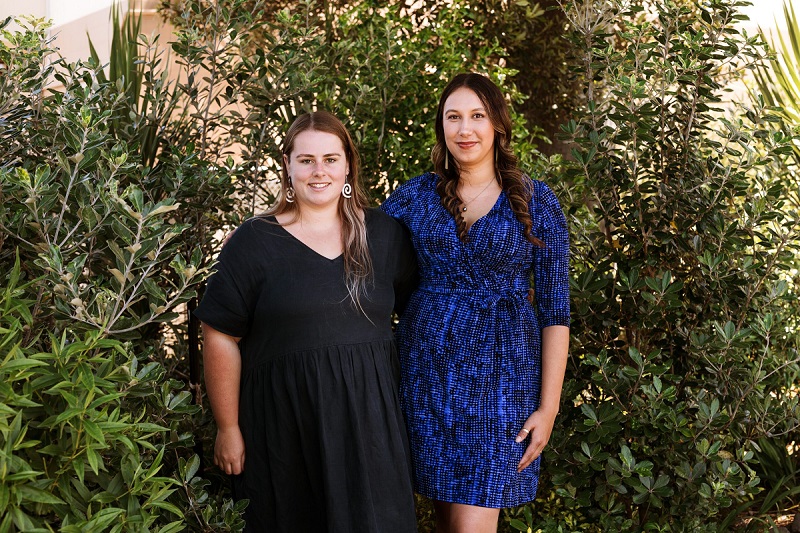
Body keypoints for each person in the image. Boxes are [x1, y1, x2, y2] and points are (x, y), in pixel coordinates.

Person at [194, 110, 418, 532]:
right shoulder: (254, 241)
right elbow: (219, 334)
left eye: (331, 159)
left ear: (348, 165)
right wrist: (227, 427)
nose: (320, 171)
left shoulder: (384, 236)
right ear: (288, 167)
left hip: (369, 433)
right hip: (283, 431)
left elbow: (418, 312)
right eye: (306, 160)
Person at [381, 73, 570, 532]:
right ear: (441, 127)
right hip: (427, 378)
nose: (465, 129)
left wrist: (549, 408)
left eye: (477, 116)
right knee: (445, 523)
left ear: (498, 125)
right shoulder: (412, 198)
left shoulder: (536, 200)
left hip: (502, 385)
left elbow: (556, 312)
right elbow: (367, 270)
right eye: (453, 117)